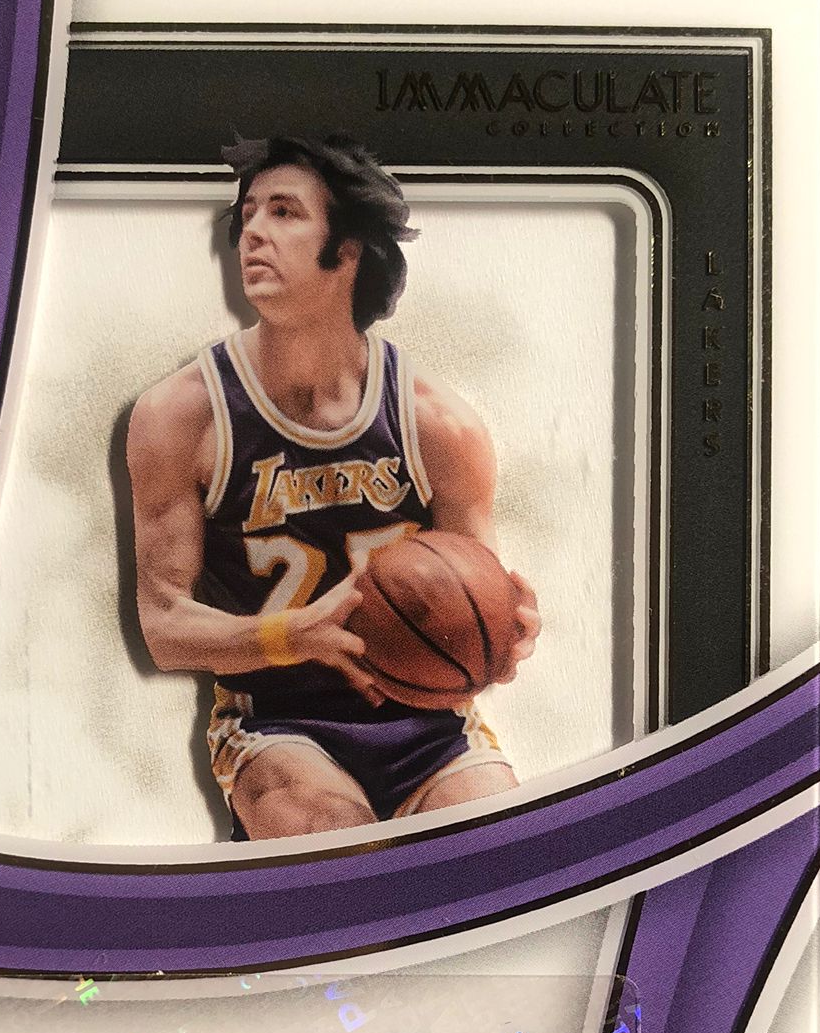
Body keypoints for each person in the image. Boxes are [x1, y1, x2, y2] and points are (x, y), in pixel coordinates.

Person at [125, 132, 539, 841]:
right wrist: (292, 636)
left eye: (284, 212)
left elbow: (478, 602)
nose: (253, 232)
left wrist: (507, 631)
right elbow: (164, 626)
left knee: (499, 849)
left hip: (430, 721)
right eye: (248, 213)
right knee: (331, 840)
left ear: (347, 250)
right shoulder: (181, 415)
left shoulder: (439, 423)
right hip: (276, 724)